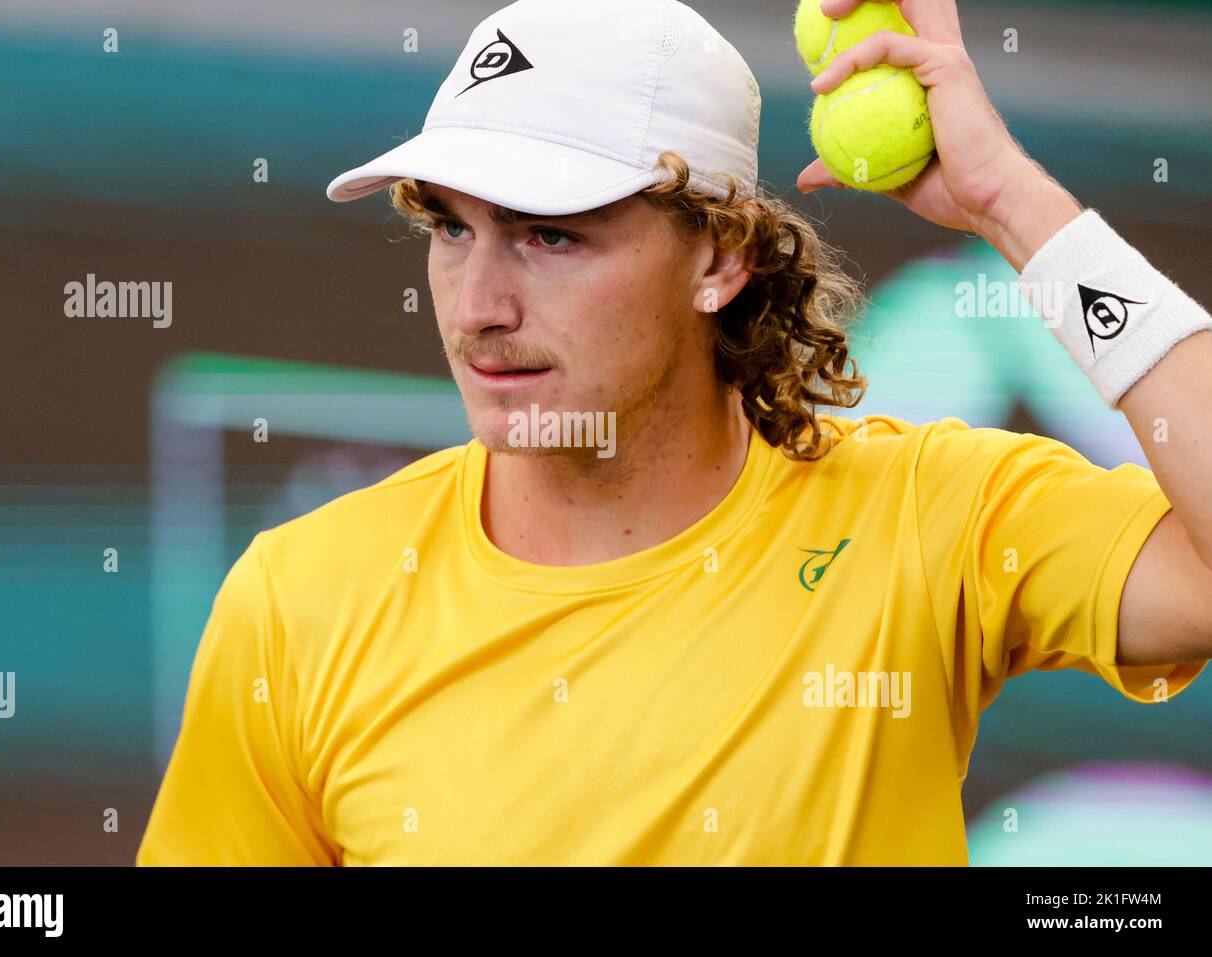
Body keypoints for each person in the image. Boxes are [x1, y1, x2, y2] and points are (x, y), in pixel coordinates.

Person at [137, 0, 1212, 866]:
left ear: (719, 259)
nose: (475, 306)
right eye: (450, 229)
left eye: (550, 236)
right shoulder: (298, 599)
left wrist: (1007, 201)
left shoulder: (933, 513)